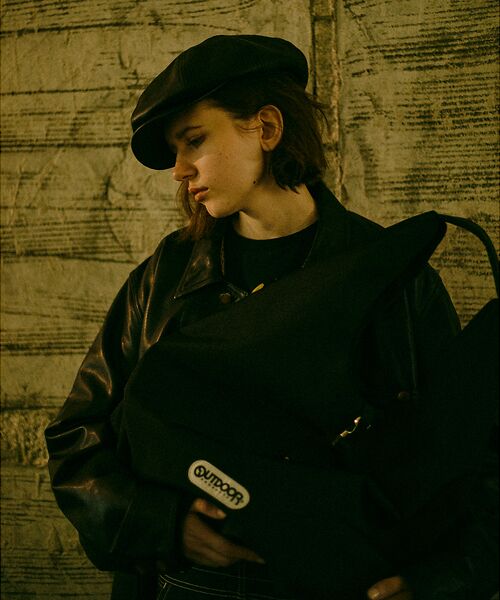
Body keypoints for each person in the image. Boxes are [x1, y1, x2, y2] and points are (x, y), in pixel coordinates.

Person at [45, 35, 498, 600]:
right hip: (187, 587)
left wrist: (440, 580)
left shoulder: (393, 276)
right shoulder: (165, 279)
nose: (179, 170)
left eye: (194, 140)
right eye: (175, 151)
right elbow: (77, 436)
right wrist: (162, 524)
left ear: (265, 127)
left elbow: (469, 450)